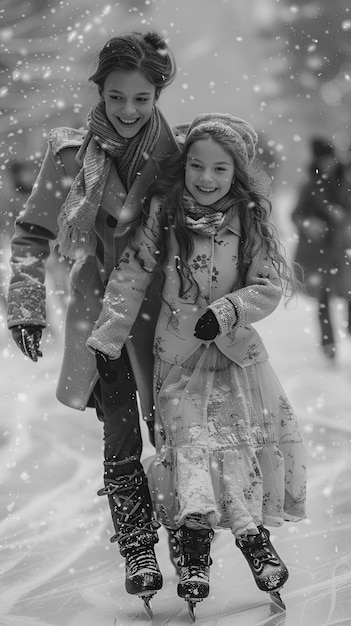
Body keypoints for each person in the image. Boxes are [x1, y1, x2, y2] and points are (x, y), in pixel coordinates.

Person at [86, 113, 308, 609]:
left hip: (236, 359)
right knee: (189, 447)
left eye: (220, 170)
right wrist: (108, 335)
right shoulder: (165, 211)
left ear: (237, 174)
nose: (205, 179)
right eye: (197, 166)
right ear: (184, 165)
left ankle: (252, 539)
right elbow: (134, 269)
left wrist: (230, 310)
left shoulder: (248, 218)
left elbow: (268, 285)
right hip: (178, 356)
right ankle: (195, 548)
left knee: (232, 448)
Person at [7, 30, 184, 606]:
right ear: (99, 92)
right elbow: (32, 235)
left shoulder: (184, 158)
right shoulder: (69, 156)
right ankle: (136, 545)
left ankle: (186, 540)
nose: (128, 111)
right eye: (115, 97)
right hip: (102, 318)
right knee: (121, 437)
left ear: (158, 94)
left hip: (167, 319)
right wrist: (26, 304)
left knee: (178, 436)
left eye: (141, 99)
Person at [291, 137, 351, 361]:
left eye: (331, 159)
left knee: (348, 289)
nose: (328, 164)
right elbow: (296, 214)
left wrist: (342, 217)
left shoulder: (344, 183)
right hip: (318, 251)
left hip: (342, 248)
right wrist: (309, 224)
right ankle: (328, 343)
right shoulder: (309, 185)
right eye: (324, 160)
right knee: (323, 298)